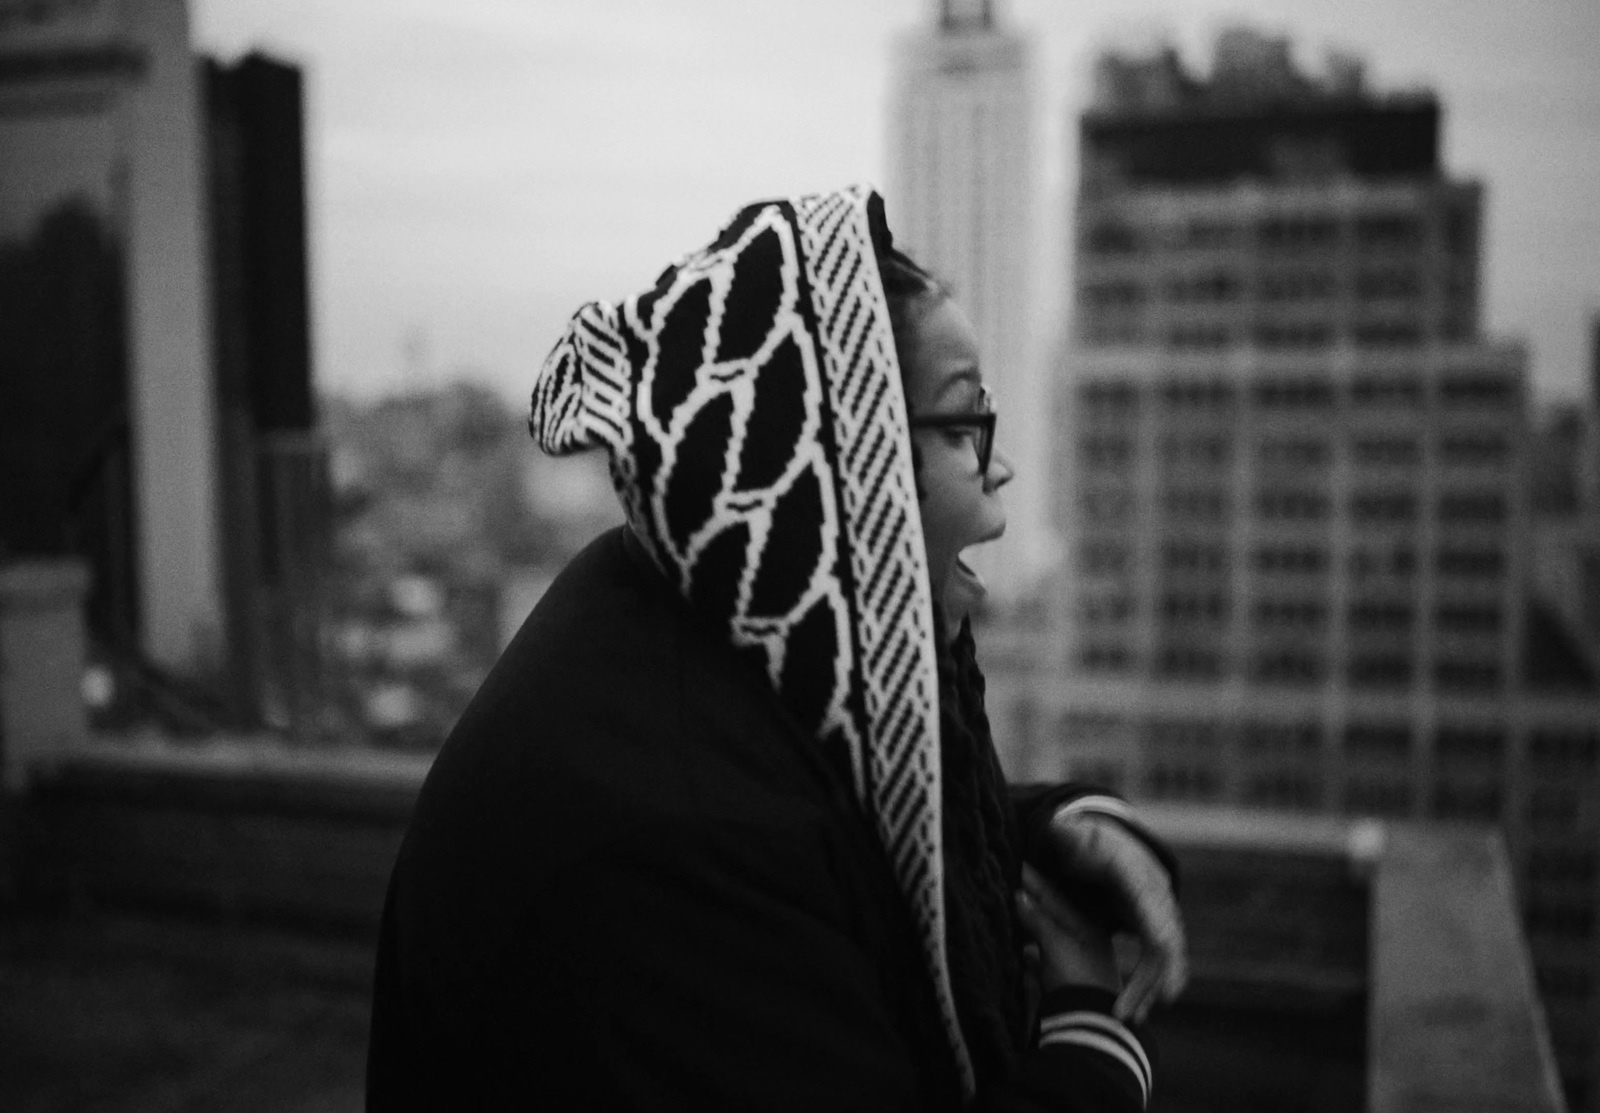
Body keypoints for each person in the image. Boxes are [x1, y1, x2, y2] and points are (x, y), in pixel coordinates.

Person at [366, 185, 1186, 1111]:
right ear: (835, 466)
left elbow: (838, 811)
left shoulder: (697, 624)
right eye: (963, 425)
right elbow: (788, 847)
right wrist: (1091, 1033)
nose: (999, 471)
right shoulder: (675, 839)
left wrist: (1048, 826)